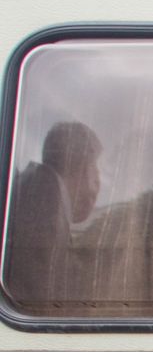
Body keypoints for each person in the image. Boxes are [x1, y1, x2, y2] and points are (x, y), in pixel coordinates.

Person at [2, 121, 103, 309]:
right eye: (95, 169)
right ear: (82, 168)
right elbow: (44, 293)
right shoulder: (43, 207)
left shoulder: (35, 190)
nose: (98, 183)